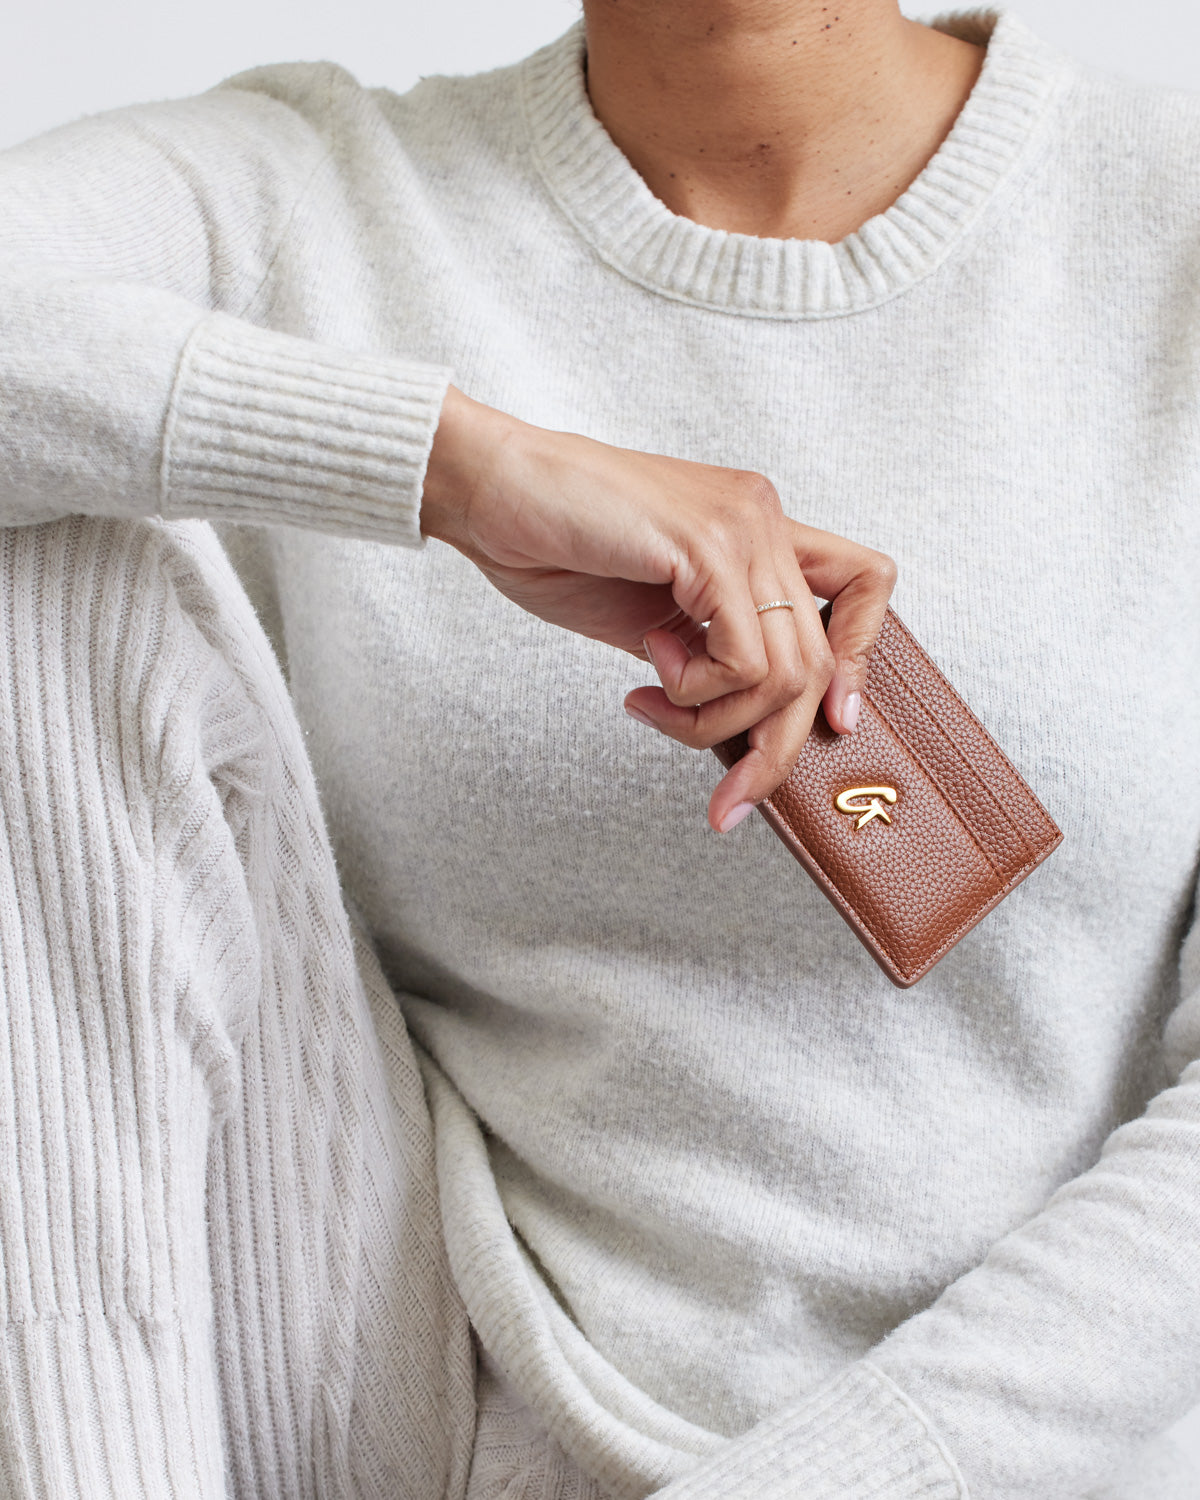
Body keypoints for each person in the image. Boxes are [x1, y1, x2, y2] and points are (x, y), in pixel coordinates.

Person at [0, 0, 1198, 1495]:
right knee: (38, 541)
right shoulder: (309, 192)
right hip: (420, 1399)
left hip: (1000, 1458)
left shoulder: (1165, 218)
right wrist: (455, 464)